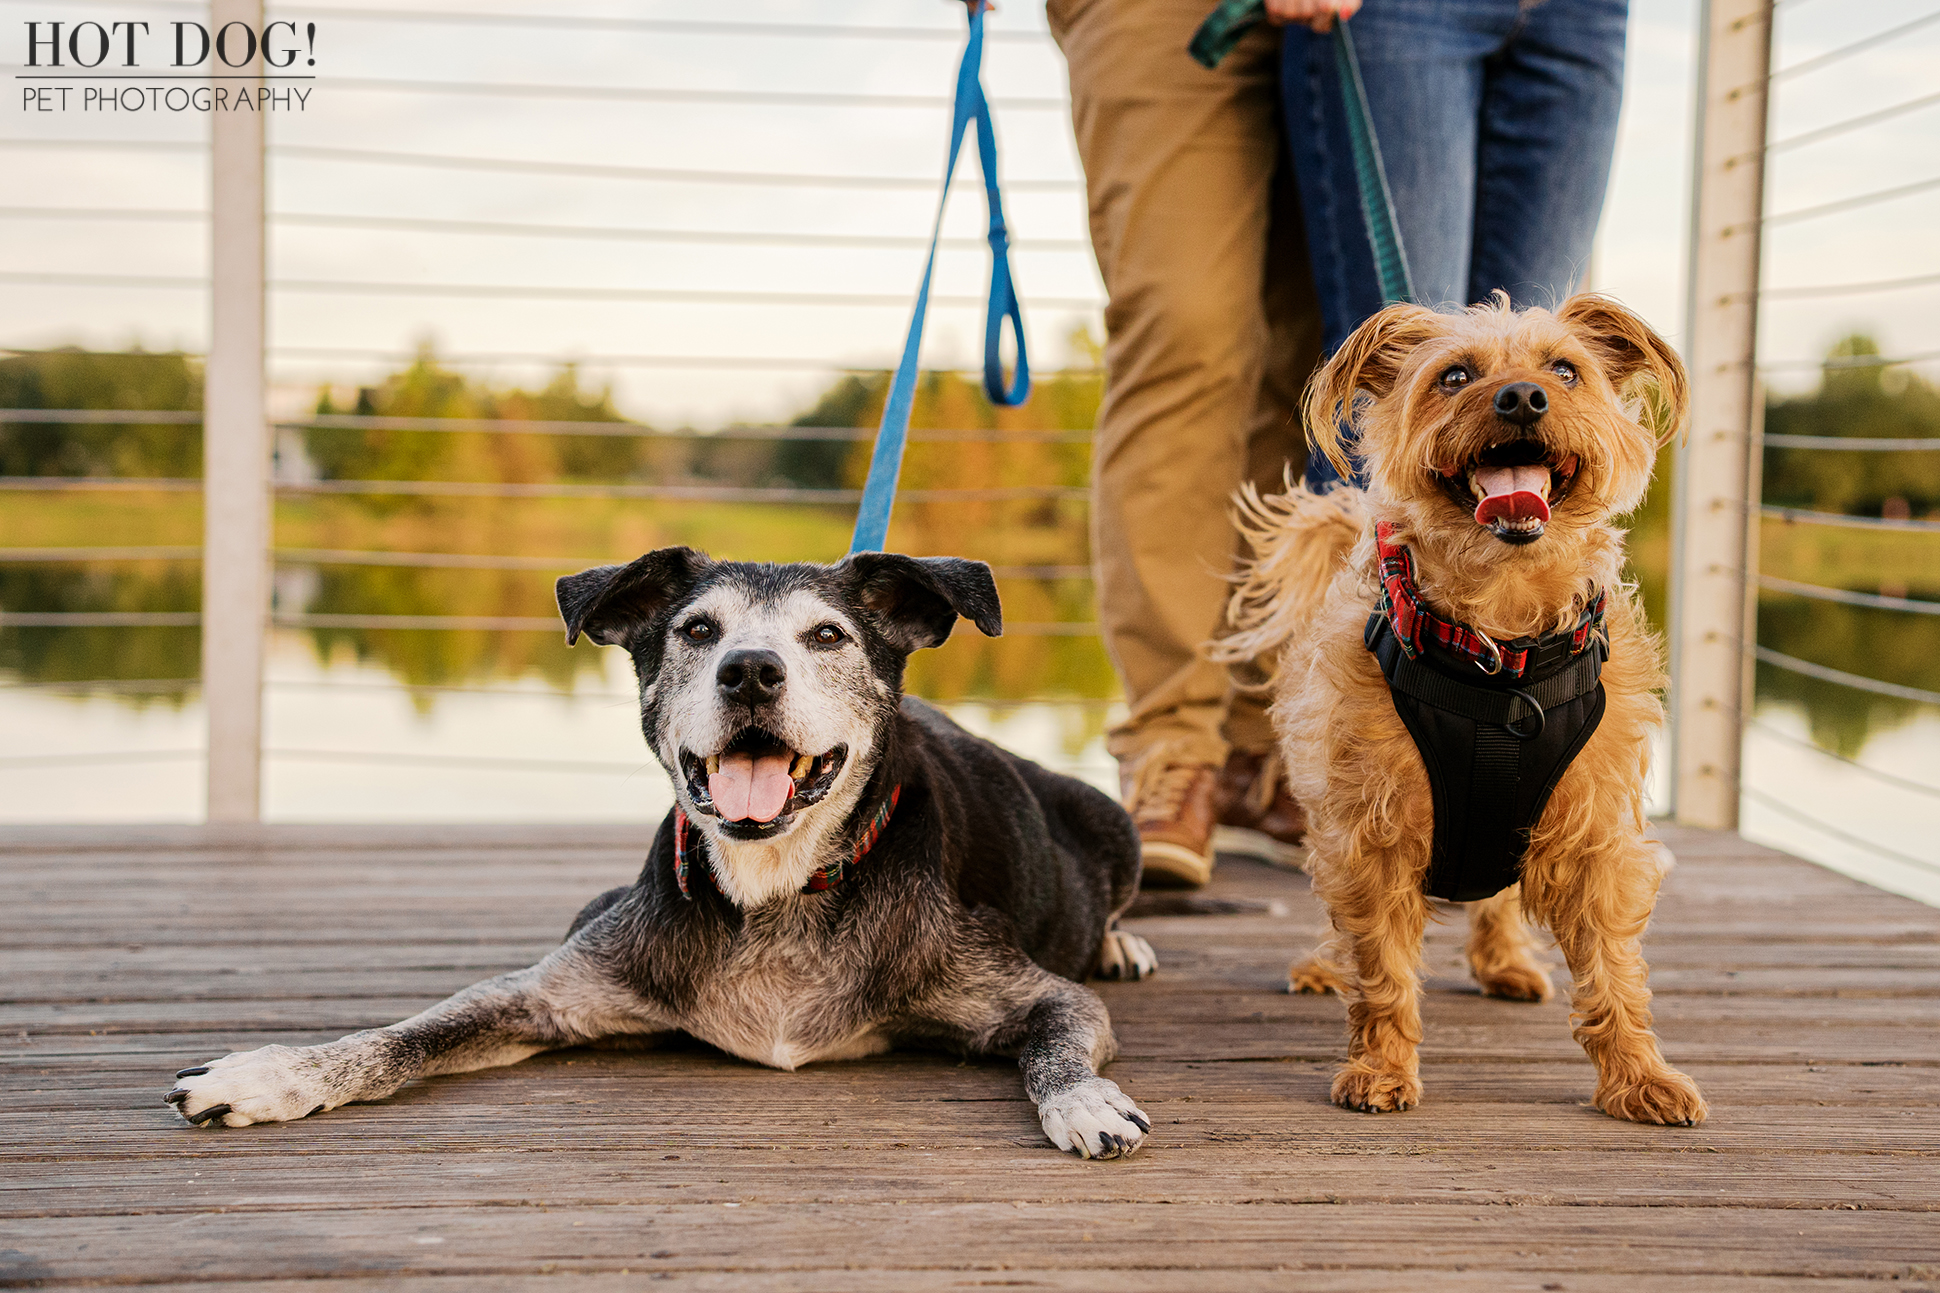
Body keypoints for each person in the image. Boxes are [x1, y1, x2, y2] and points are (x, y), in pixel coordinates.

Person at [1047, 0, 1323, 887]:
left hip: (1374, 20)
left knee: (1321, 356)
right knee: (1183, 331)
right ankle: (1172, 745)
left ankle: (1263, 748)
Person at [1274, 0, 1628, 487]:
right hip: (1398, 12)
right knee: (1390, 390)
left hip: (1579, 15)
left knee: (1536, 339)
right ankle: (1362, 559)